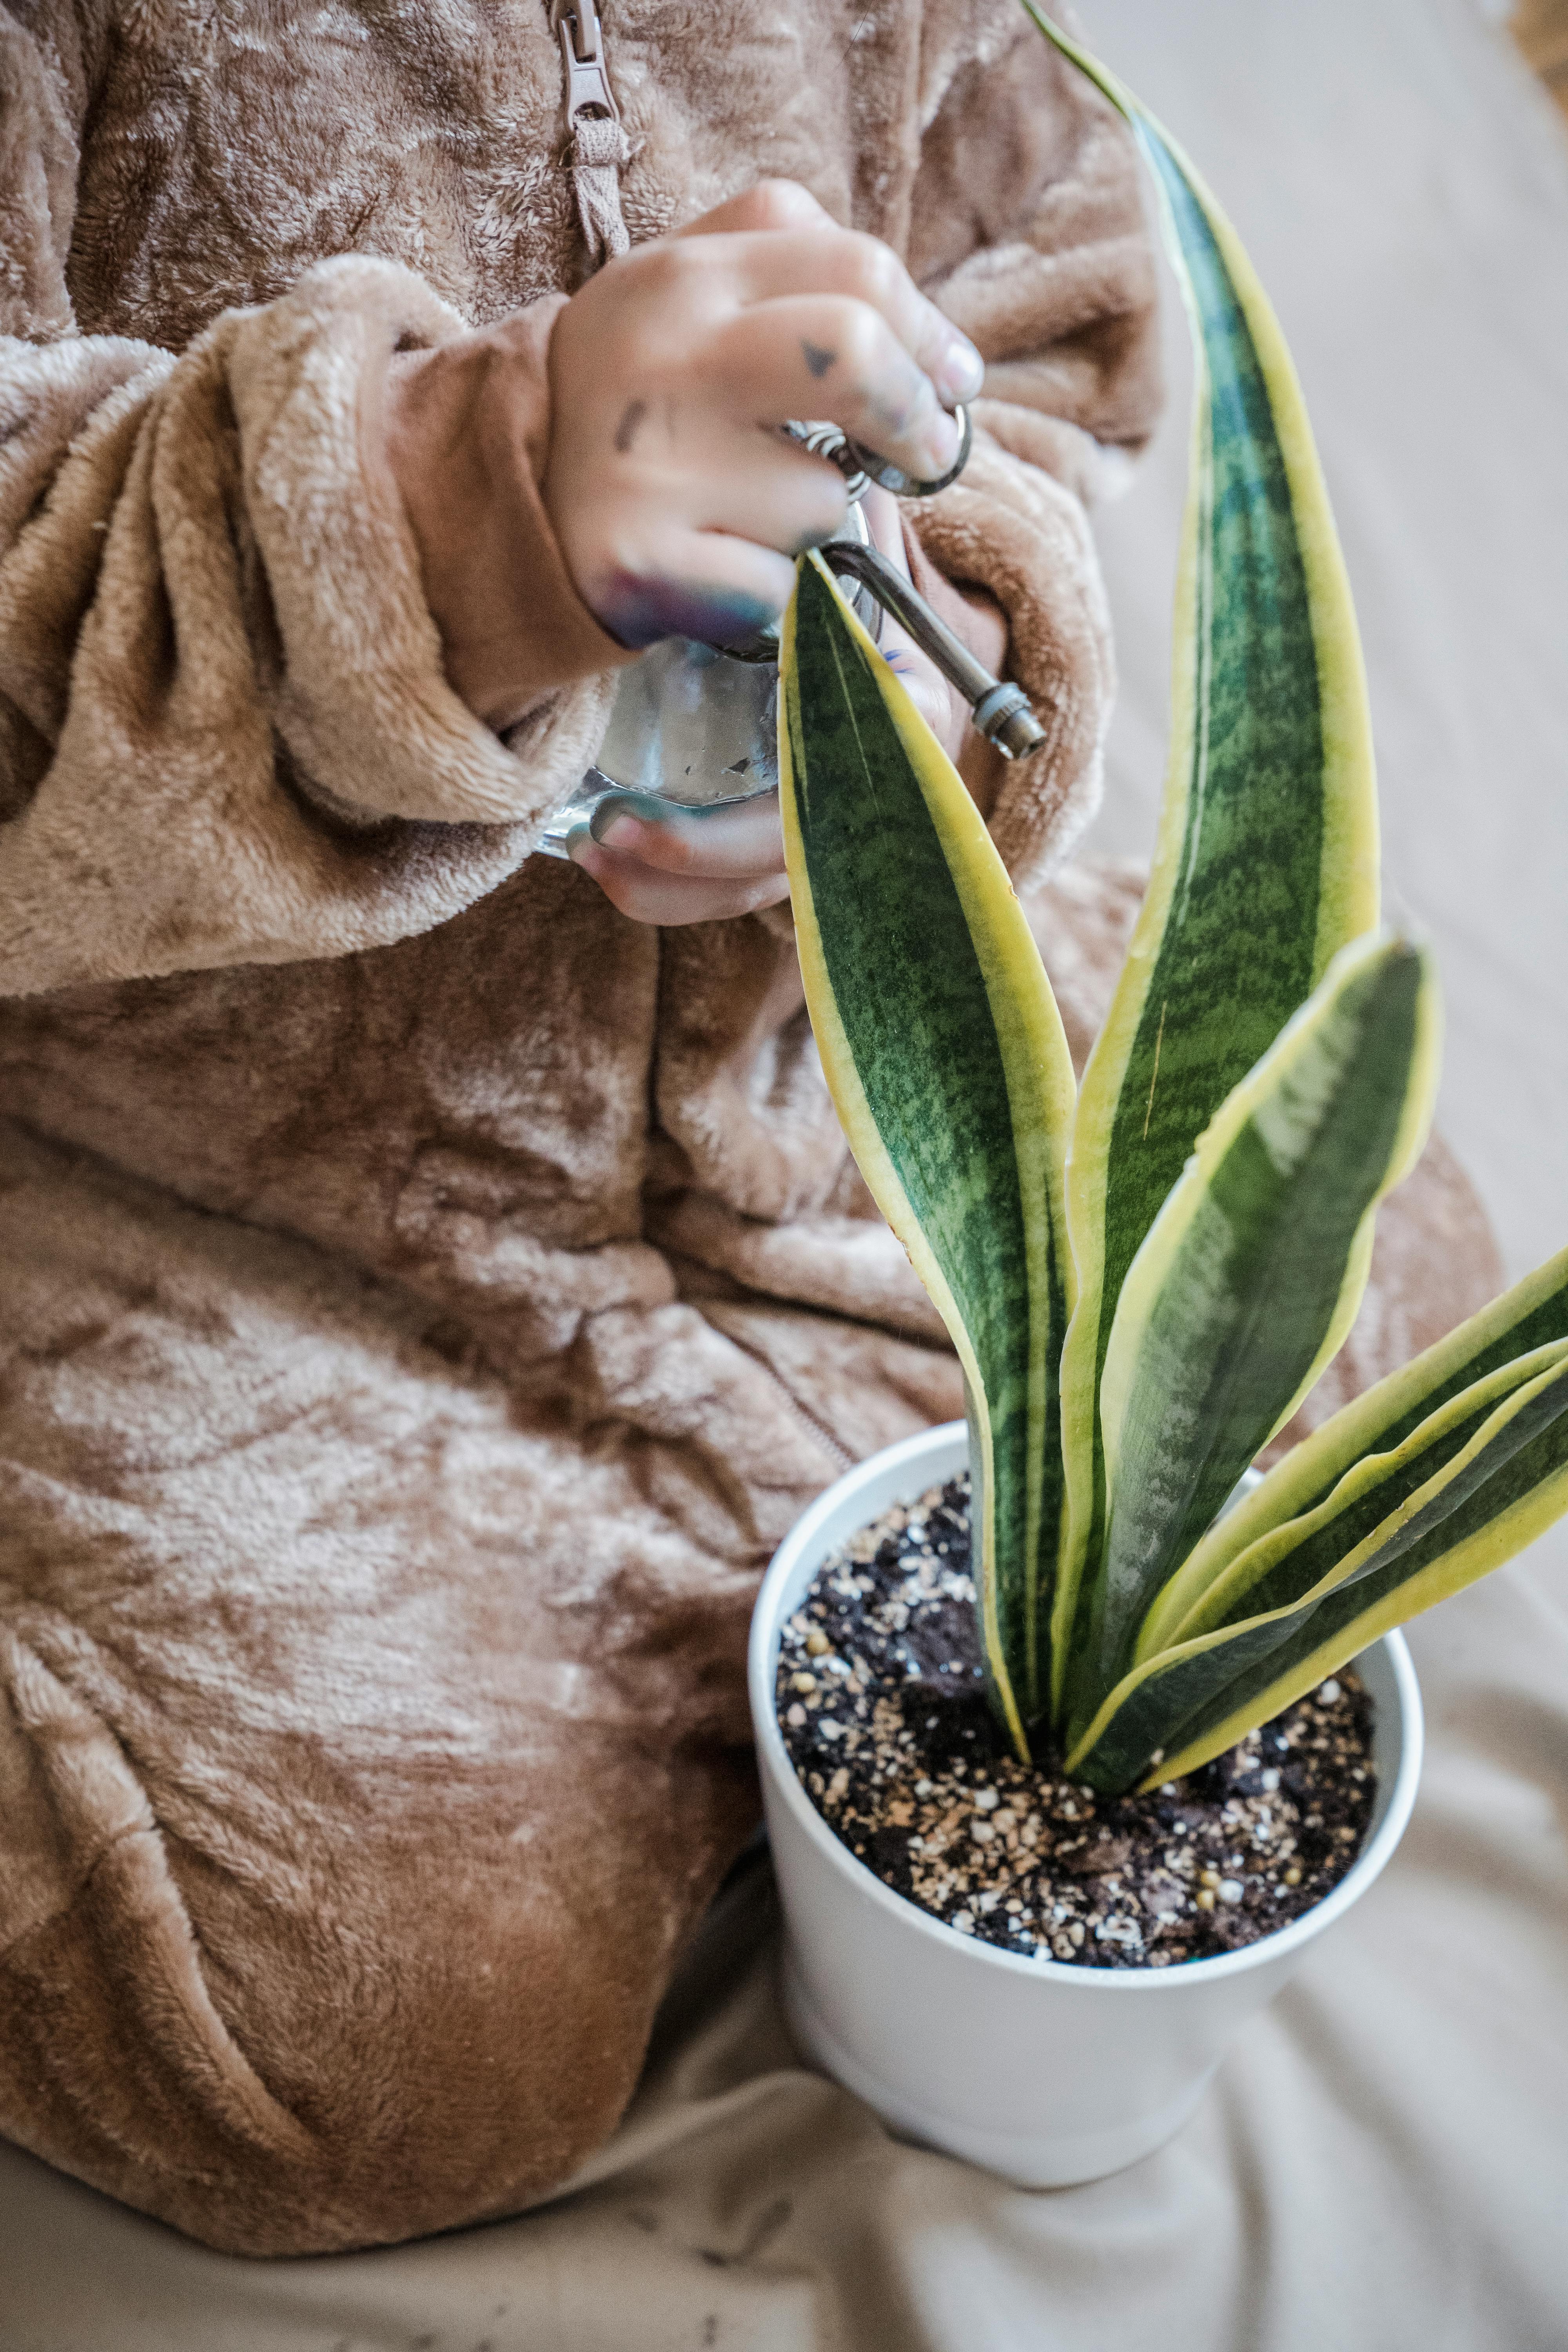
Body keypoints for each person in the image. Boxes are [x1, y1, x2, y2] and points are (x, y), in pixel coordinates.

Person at [0, 0, 1494, 2258]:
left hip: (804, 1085)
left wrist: (945, 639)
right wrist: (453, 503)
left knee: (1405, 1243)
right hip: (181, 1186)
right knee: (391, 2029)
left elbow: (1067, 316)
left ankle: (662, 1602)